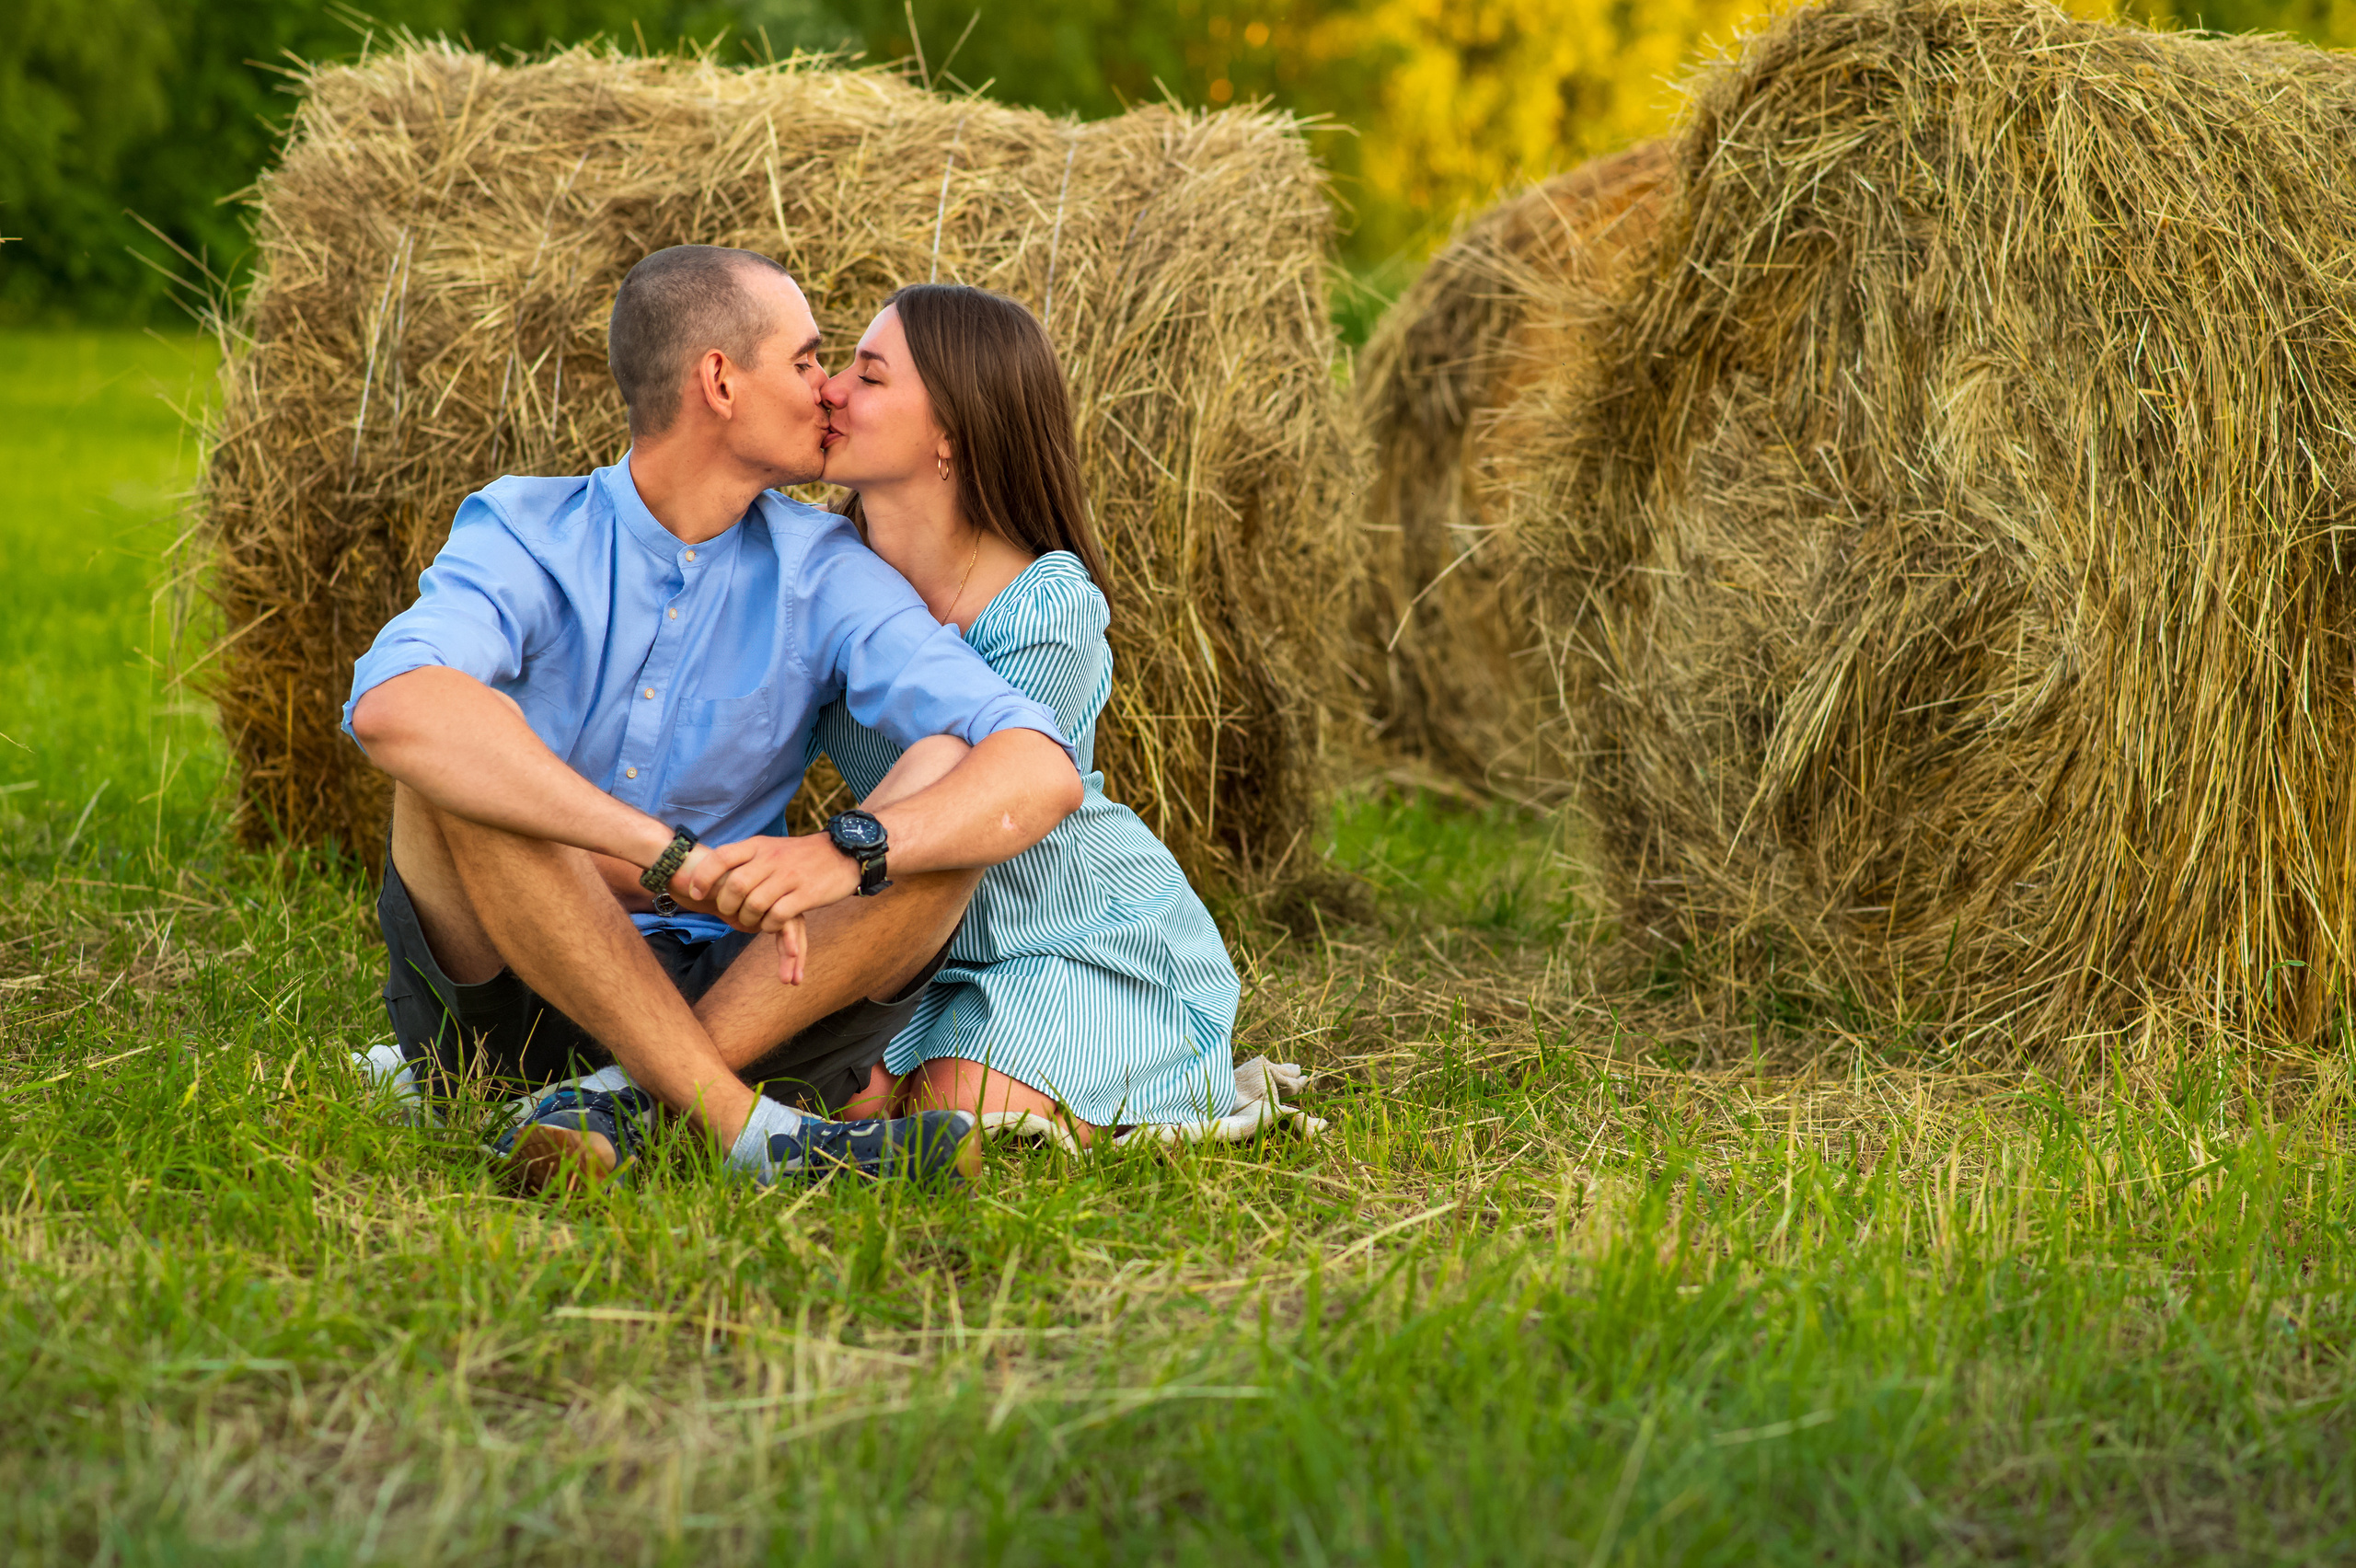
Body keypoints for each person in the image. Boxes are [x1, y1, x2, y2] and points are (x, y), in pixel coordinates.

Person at [343, 246, 1085, 1192]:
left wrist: (846, 852)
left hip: (754, 998)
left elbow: (1038, 765)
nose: (828, 390)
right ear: (721, 382)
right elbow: (393, 708)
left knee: (948, 769)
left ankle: (620, 1101)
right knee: (463, 745)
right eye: (807, 361)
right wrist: (669, 859)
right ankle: (747, 1131)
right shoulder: (525, 533)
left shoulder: (823, 568)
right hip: (518, 986)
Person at [808, 283, 1242, 1145]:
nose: (830, 389)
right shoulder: (819, 574)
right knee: (844, 1102)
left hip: (1072, 934)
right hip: (907, 936)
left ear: (950, 432)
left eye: (869, 375)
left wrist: (818, 870)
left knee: (948, 1116)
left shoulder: (1046, 606)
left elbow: (985, 805)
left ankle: (1138, 1047)